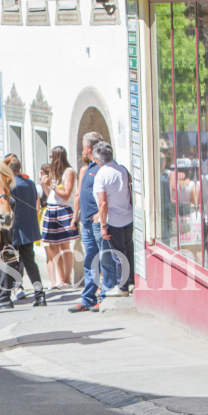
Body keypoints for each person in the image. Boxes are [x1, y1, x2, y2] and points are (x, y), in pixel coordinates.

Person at [0, 155, 45, 309]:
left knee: (9, 265)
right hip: (28, 230)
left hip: (14, 231)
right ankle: (40, 296)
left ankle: (4, 298)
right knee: (31, 265)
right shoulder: (30, 184)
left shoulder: (10, 186)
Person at [92, 142, 134, 297]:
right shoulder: (122, 169)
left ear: (98, 158)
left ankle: (122, 286)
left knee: (118, 254)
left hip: (113, 219)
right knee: (128, 250)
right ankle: (130, 282)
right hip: (127, 215)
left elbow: (103, 203)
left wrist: (103, 225)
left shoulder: (101, 175)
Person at [69, 133, 104, 313]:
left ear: (89, 148)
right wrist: (76, 217)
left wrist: (100, 214)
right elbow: (79, 195)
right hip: (87, 223)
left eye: (84, 145)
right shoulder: (88, 167)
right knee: (90, 261)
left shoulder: (102, 167)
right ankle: (88, 298)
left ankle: (103, 297)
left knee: (104, 260)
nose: (83, 149)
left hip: (98, 222)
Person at [39, 147, 78, 288]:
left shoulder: (69, 172)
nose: (49, 159)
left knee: (64, 245)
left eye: (51, 156)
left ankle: (66, 279)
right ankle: (61, 278)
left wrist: (52, 185)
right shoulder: (55, 173)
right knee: (53, 247)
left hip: (63, 210)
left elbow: (66, 194)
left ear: (57, 157)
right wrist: (45, 183)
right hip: (51, 209)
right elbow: (49, 193)